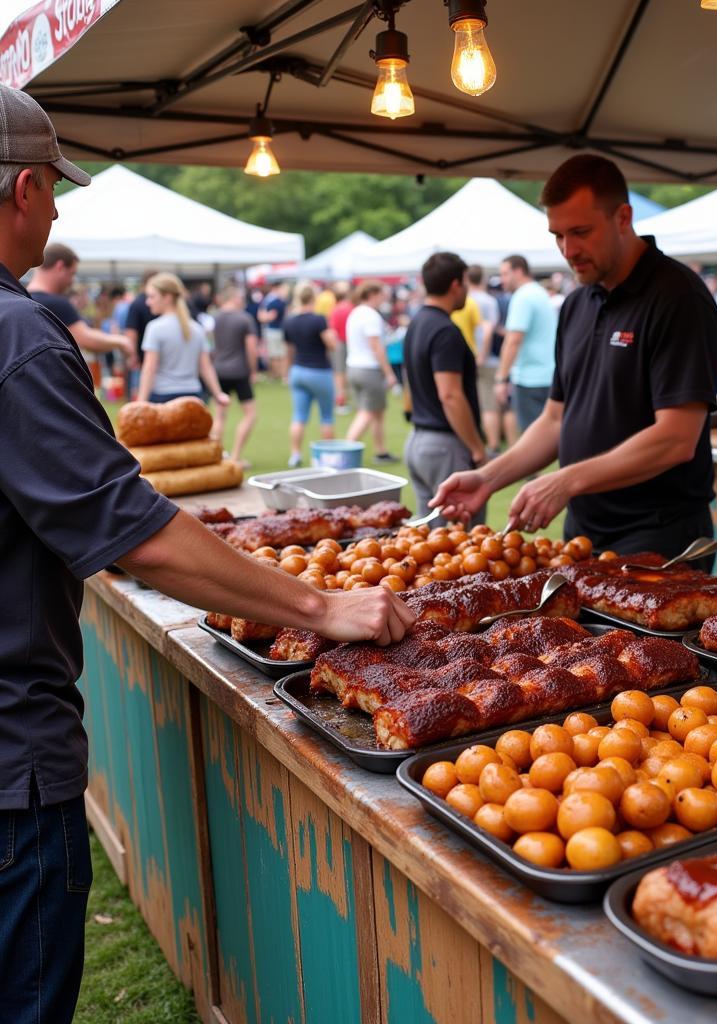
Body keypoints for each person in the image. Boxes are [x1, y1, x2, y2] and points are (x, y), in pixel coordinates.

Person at [0, 83, 414, 1024]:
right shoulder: (19, 334)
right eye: (53, 189)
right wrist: (322, 609)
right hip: (12, 773)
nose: (60, 209)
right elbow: (133, 532)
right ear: (24, 188)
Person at [432, 154, 717, 559]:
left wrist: (566, 481)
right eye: (558, 235)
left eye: (581, 232)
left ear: (623, 217)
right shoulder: (575, 304)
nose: (568, 250)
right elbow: (555, 418)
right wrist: (487, 478)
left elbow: (676, 438)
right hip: (583, 533)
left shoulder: (678, 297)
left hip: (658, 536)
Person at [403, 252, 487, 521]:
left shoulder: (416, 323)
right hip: (444, 445)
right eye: (465, 283)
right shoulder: (444, 330)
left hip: (418, 441)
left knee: (429, 542)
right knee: (461, 546)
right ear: (455, 285)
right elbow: (449, 394)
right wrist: (477, 448)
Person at [25, 243, 132, 363]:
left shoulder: (21, 297)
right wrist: (121, 341)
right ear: (60, 266)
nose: (71, 281)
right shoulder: (56, 303)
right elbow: (86, 339)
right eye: (72, 274)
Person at [136, 272, 228, 407]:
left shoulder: (155, 328)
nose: (148, 302)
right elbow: (206, 366)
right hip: (193, 397)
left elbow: (149, 368)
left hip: (163, 398)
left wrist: (141, 402)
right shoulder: (197, 328)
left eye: (151, 297)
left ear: (167, 297)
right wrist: (218, 394)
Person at [495, 254, 558, 433]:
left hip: (531, 379)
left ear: (519, 271)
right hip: (546, 374)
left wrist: (501, 378)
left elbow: (513, 339)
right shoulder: (537, 292)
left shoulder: (523, 296)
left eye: (505, 274)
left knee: (534, 440)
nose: (502, 280)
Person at [283, 283, 338, 467]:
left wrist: (288, 372)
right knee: (327, 416)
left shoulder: (289, 320)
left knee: (298, 416)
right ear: (313, 298)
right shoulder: (319, 320)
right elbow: (332, 344)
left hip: (298, 370)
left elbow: (289, 351)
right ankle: (328, 457)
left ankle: (295, 454)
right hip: (319, 371)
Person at [344, 281, 399, 463]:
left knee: (376, 411)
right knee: (367, 413)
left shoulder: (356, 313)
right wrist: (389, 373)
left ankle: (381, 450)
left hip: (354, 367)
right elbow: (376, 346)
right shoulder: (370, 316)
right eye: (382, 294)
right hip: (369, 369)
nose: (384, 298)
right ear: (373, 294)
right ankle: (344, 452)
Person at [211, 286, 260, 465]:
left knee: (220, 415)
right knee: (250, 414)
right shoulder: (244, 318)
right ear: (232, 297)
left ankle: (217, 456)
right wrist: (253, 370)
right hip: (239, 371)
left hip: (219, 370)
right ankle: (235, 456)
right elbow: (252, 348)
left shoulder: (215, 318)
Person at [465, 265, 502, 457]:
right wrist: (483, 355)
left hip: (467, 358)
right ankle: (493, 445)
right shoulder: (488, 301)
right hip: (485, 359)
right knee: (489, 404)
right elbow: (489, 330)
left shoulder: (464, 300)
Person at [329, 281, 354, 410]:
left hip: (339, 343)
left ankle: (340, 399)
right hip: (349, 343)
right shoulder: (351, 308)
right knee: (347, 372)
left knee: (339, 373)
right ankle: (344, 399)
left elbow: (332, 330)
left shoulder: (335, 309)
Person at [257, 281, 289, 380]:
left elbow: (266, 316)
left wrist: (263, 316)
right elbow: (263, 316)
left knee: (278, 354)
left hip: (275, 330)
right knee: (277, 353)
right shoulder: (276, 301)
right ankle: (279, 374)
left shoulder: (275, 302)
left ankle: (280, 374)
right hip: (275, 330)